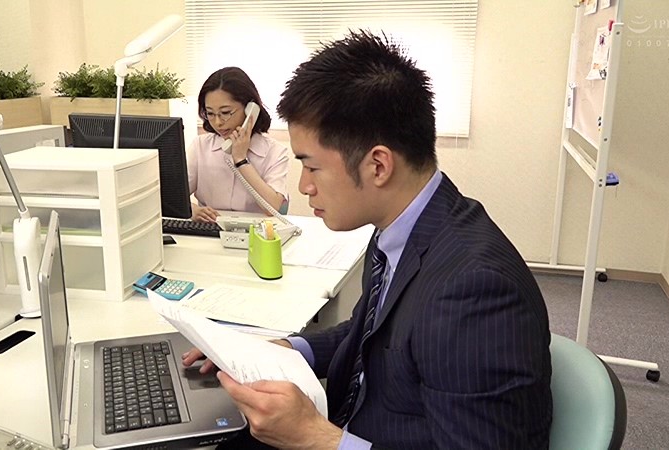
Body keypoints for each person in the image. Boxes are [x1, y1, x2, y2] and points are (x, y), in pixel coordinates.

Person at [184, 31, 552, 449]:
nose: (304, 187)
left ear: (378, 165)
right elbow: (369, 334)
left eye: (312, 167)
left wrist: (318, 438)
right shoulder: (400, 228)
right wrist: (276, 350)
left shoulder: (475, 290)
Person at [187, 67, 289, 222]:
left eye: (225, 113)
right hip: (210, 230)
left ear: (250, 109)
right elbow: (171, 198)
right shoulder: (200, 146)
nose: (218, 122)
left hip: (256, 231)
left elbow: (275, 208)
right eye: (210, 113)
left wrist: (241, 160)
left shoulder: (275, 152)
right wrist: (191, 210)